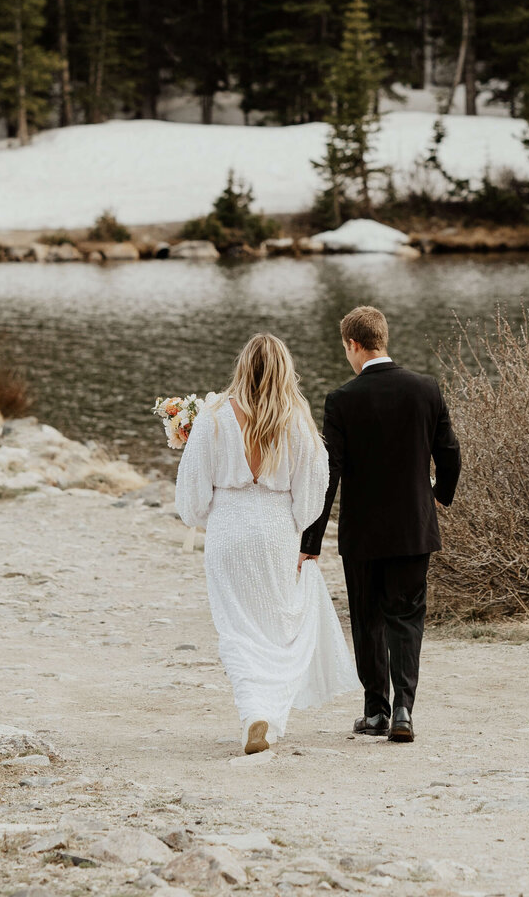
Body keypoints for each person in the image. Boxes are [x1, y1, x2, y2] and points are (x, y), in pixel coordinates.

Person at [175, 333, 359, 755]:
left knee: (236, 629)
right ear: (283, 370)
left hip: (228, 529)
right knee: (278, 630)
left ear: (242, 367)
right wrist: (290, 524)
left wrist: (211, 518)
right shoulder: (297, 420)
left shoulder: (213, 417)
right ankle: (268, 716)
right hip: (276, 531)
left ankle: (255, 713)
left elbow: (191, 496)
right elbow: (314, 492)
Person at [298, 305, 461, 744]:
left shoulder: (342, 399)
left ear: (353, 344)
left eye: (345, 348)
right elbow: (450, 452)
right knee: (407, 618)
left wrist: (310, 538)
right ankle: (405, 710)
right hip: (414, 527)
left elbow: (329, 473)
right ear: (382, 338)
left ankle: (376, 714)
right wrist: (437, 495)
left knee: (368, 618)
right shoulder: (426, 389)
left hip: (363, 533)